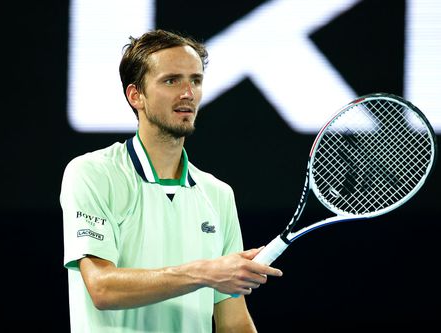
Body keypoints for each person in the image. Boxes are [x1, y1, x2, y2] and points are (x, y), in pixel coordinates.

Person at [60, 29, 283, 333]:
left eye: (195, 80)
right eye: (171, 80)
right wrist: (204, 272)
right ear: (135, 95)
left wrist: (212, 276)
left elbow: (233, 322)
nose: (188, 93)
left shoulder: (218, 195)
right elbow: (102, 288)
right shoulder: (92, 173)